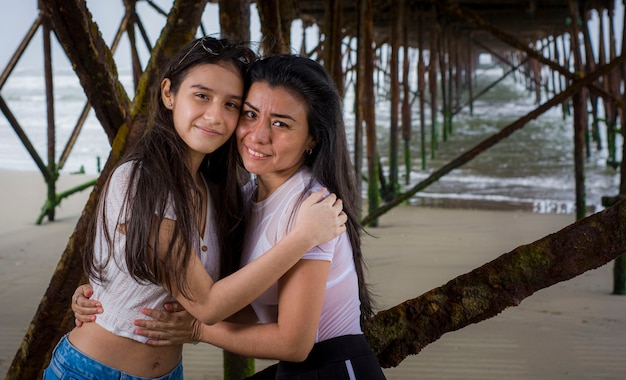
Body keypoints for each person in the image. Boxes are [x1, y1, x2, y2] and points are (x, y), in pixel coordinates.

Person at [45, 39, 347, 380]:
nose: (215, 116)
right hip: (91, 371)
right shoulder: (140, 180)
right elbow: (208, 306)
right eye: (201, 96)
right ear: (169, 94)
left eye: (232, 105)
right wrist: (305, 236)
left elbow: (238, 300)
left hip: (169, 373)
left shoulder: (217, 193)